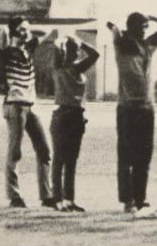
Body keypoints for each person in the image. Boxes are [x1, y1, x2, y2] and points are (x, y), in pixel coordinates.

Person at [109, 12, 157, 216]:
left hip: (146, 108)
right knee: (126, 156)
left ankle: (140, 198)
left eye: (146, 27)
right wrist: (118, 27)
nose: (144, 30)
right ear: (132, 27)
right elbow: (114, 28)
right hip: (128, 108)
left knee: (144, 156)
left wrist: (153, 16)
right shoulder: (122, 45)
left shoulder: (148, 46)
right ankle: (127, 200)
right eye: (141, 26)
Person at [0, 17, 53, 208]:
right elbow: (3, 36)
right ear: (13, 32)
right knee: (15, 151)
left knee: (45, 150)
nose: (27, 33)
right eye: (22, 30)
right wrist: (13, 30)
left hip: (31, 105)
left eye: (27, 30)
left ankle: (46, 195)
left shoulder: (27, 50)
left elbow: (45, 32)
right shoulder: (7, 52)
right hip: (15, 105)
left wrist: (27, 28)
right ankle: (14, 195)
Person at [48, 28, 100, 212]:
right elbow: (94, 54)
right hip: (65, 115)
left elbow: (95, 54)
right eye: (75, 49)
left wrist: (74, 41)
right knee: (61, 159)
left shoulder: (71, 68)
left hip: (75, 116)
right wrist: (72, 40)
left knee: (69, 160)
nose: (77, 53)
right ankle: (58, 199)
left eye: (77, 49)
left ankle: (68, 199)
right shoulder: (65, 67)